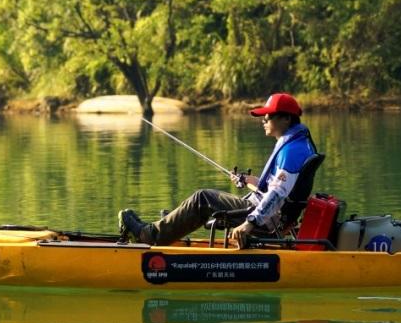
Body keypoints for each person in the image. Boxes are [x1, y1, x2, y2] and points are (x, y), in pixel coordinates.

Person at [118, 93, 317, 248]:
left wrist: (250, 223)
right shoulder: (299, 144)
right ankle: (170, 224)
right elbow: (279, 187)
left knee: (202, 198)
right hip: (272, 216)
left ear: (286, 119)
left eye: (268, 116)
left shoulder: (290, 151)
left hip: (265, 220)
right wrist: (248, 180)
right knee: (202, 202)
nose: (263, 120)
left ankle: (149, 235)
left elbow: (277, 194)